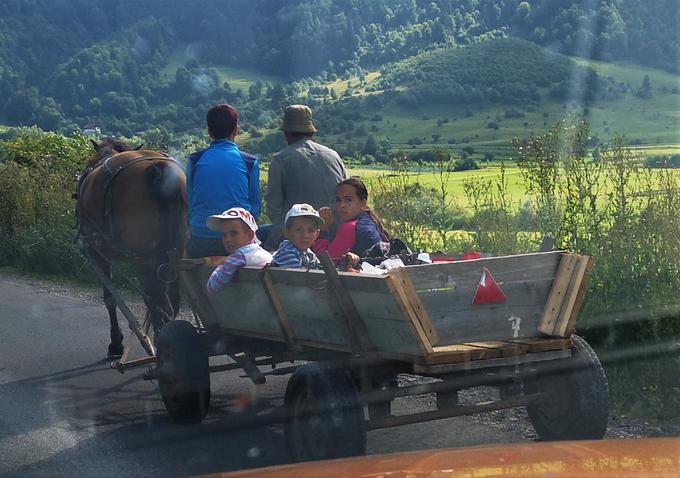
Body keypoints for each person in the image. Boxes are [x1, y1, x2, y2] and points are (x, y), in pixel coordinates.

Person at [262, 104, 347, 251]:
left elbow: (274, 208)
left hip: (298, 238)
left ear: (287, 133)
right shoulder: (333, 156)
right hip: (336, 235)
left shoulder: (280, 159)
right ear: (311, 132)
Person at [186, 104, 262, 258]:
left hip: (202, 238)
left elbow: (190, 202)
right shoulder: (249, 162)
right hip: (238, 240)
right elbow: (255, 209)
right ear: (236, 130)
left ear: (209, 132)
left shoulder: (195, 160)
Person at [314, 177, 391, 266]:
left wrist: (323, 230)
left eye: (348, 200)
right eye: (338, 200)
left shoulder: (351, 227)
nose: (342, 205)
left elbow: (326, 263)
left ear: (362, 204)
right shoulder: (369, 221)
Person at [205, 207, 272, 294]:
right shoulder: (262, 253)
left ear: (250, 235)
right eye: (224, 235)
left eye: (234, 233)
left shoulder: (238, 257)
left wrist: (220, 267)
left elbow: (212, 287)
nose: (227, 239)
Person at [271, 204, 323, 269]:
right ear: (286, 232)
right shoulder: (288, 253)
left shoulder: (309, 253)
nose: (305, 235)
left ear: (317, 234)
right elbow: (298, 277)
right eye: (298, 230)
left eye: (311, 230)